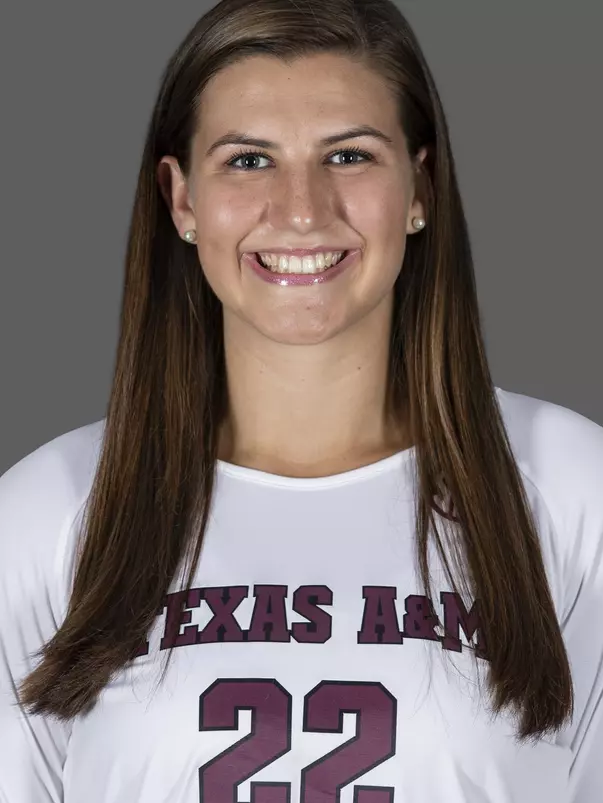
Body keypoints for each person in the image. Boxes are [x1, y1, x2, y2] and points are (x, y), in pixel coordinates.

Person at [0, 0, 601, 800]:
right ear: (181, 200)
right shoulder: (52, 511)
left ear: (419, 186)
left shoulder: (569, 487)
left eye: (348, 155)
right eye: (248, 160)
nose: (301, 211)